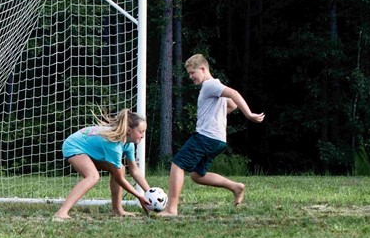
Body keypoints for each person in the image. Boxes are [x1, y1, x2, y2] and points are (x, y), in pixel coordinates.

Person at [162, 54, 265, 216]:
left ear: (203, 69)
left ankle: (171, 209)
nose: (190, 77)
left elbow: (235, 94)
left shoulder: (210, 85)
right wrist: (215, 115)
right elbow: (232, 105)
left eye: (192, 73)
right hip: (218, 140)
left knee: (178, 164)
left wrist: (249, 114)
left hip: (205, 136)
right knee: (197, 175)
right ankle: (235, 187)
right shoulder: (215, 86)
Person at [55, 109, 153, 220]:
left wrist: (150, 193)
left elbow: (135, 171)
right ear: (129, 131)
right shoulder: (114, 145)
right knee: (93, 176)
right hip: (74, 146)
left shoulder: (128, 145)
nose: (143, 135)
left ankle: (117, 209)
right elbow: (119, 179)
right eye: (141, 132)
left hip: (90, 150)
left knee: (120, 168)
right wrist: (139, 196)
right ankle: (61, 212)